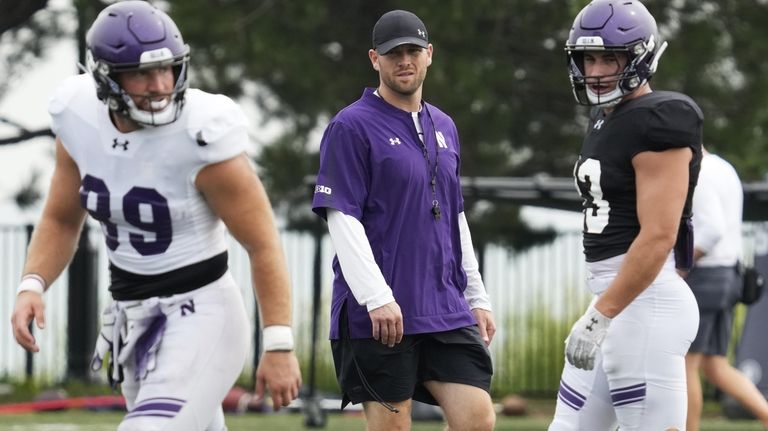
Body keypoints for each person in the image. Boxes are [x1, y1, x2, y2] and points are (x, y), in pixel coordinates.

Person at [9, 2, 301, 430]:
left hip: (202, 312)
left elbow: (262, 242)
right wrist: (32, 284)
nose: (160, 84)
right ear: (106, 76)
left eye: (167, 69)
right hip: (132, 316)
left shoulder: (202, 135)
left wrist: (278, 342)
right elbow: (60, 218)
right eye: (142, 73)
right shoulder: (77, 119)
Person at [311, 9, 496, 431]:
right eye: (394, 54)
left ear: (429, 55)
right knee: (393, 426)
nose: (405, 61)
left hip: (445, 306)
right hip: (381, 311)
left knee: (478, 418)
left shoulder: (445, 125)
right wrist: (377, 297)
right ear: (375, 59)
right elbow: (341, 217)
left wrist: (477, 297)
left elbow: (455, 216)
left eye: (413, 51)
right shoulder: (350, 126)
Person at [550, 0, 704, 429]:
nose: (597, 71)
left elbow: (658, 235)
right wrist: (600, 312)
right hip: (613, 302)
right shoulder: (606, 118)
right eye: (589, 58)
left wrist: (602, 314)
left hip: (644, 305)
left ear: (641, 56)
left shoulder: (660, 119)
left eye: (610, 58)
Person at [683, 148, 768, 430]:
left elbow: (711, 230)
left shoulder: (697, 171)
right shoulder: (725, 167)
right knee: (715, 366)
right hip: (729, 273)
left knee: (685, 366)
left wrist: (679, 267)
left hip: (705, 276)